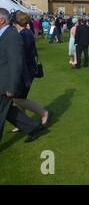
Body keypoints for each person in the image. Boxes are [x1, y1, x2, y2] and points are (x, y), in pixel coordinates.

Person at [0, 8, 44, 144]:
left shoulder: (12, 35)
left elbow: (16, 63)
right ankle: (32, 127)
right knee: (8, 112)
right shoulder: (5, 34)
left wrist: (12, 87)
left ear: (1, 20)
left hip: (6, 83)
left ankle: (38, 120)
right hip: (3, 81)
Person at [11, 11, 52, 130]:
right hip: (26, 69)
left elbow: (23, 54)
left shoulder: (24, 34)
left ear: (16, 21)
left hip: (26, 71)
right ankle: (22, 122)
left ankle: (43, 113)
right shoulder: (25, 33)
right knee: (18, 97)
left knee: (18, 99)